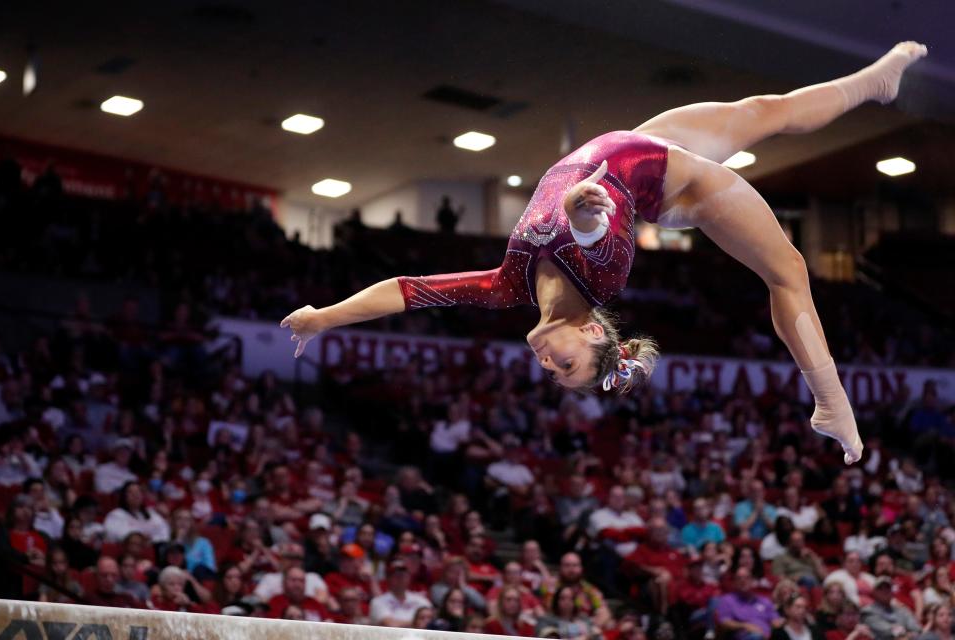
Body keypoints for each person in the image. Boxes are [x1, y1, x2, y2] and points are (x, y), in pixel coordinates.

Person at [281, 42, 929, 464]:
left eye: (552, 374)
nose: (546, 367)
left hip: (632, 146)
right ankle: (831, 401)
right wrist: (584, 210)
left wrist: (322, 317)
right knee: (788, 270)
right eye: (566, 367)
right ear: (592, 330)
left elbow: (406, 289)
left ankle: (874, 82)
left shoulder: (508, 285)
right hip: (683, 187)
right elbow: (595, 222)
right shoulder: (605, 271)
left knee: (768, 110)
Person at [716, 566, 782, 640]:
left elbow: (775, 620)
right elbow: (724, 622)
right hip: (745, 636)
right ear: (734, 582)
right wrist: (745, 626)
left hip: (767, 636)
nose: (743, 580)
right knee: (755, 637)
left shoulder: (764, 601)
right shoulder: (727, 600)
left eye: (746, 577)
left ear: (752, 580)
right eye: (739, 578)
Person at [369, 557, 432, 627]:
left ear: (409, 577)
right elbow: (391, 625)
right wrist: (418, 622)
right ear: (388, 578)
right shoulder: (378, 602)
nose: (400, 578)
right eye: (396, 575)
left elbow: (431, 622)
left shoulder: (421, 600)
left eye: (403, 575)